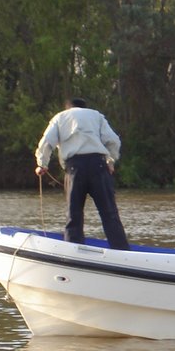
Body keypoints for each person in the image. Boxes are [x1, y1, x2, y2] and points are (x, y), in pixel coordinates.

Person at [35, 97, 130, 250]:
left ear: (68, 108)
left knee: (74, 214)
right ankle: (122, 252)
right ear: (85, 107)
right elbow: (113, 141)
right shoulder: (96, 116)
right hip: (99, 166)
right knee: (109, 213)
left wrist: (42, 164)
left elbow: (47, 142)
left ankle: (73, 250)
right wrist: (110, 162)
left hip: (75, 168)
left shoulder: (60, 117)